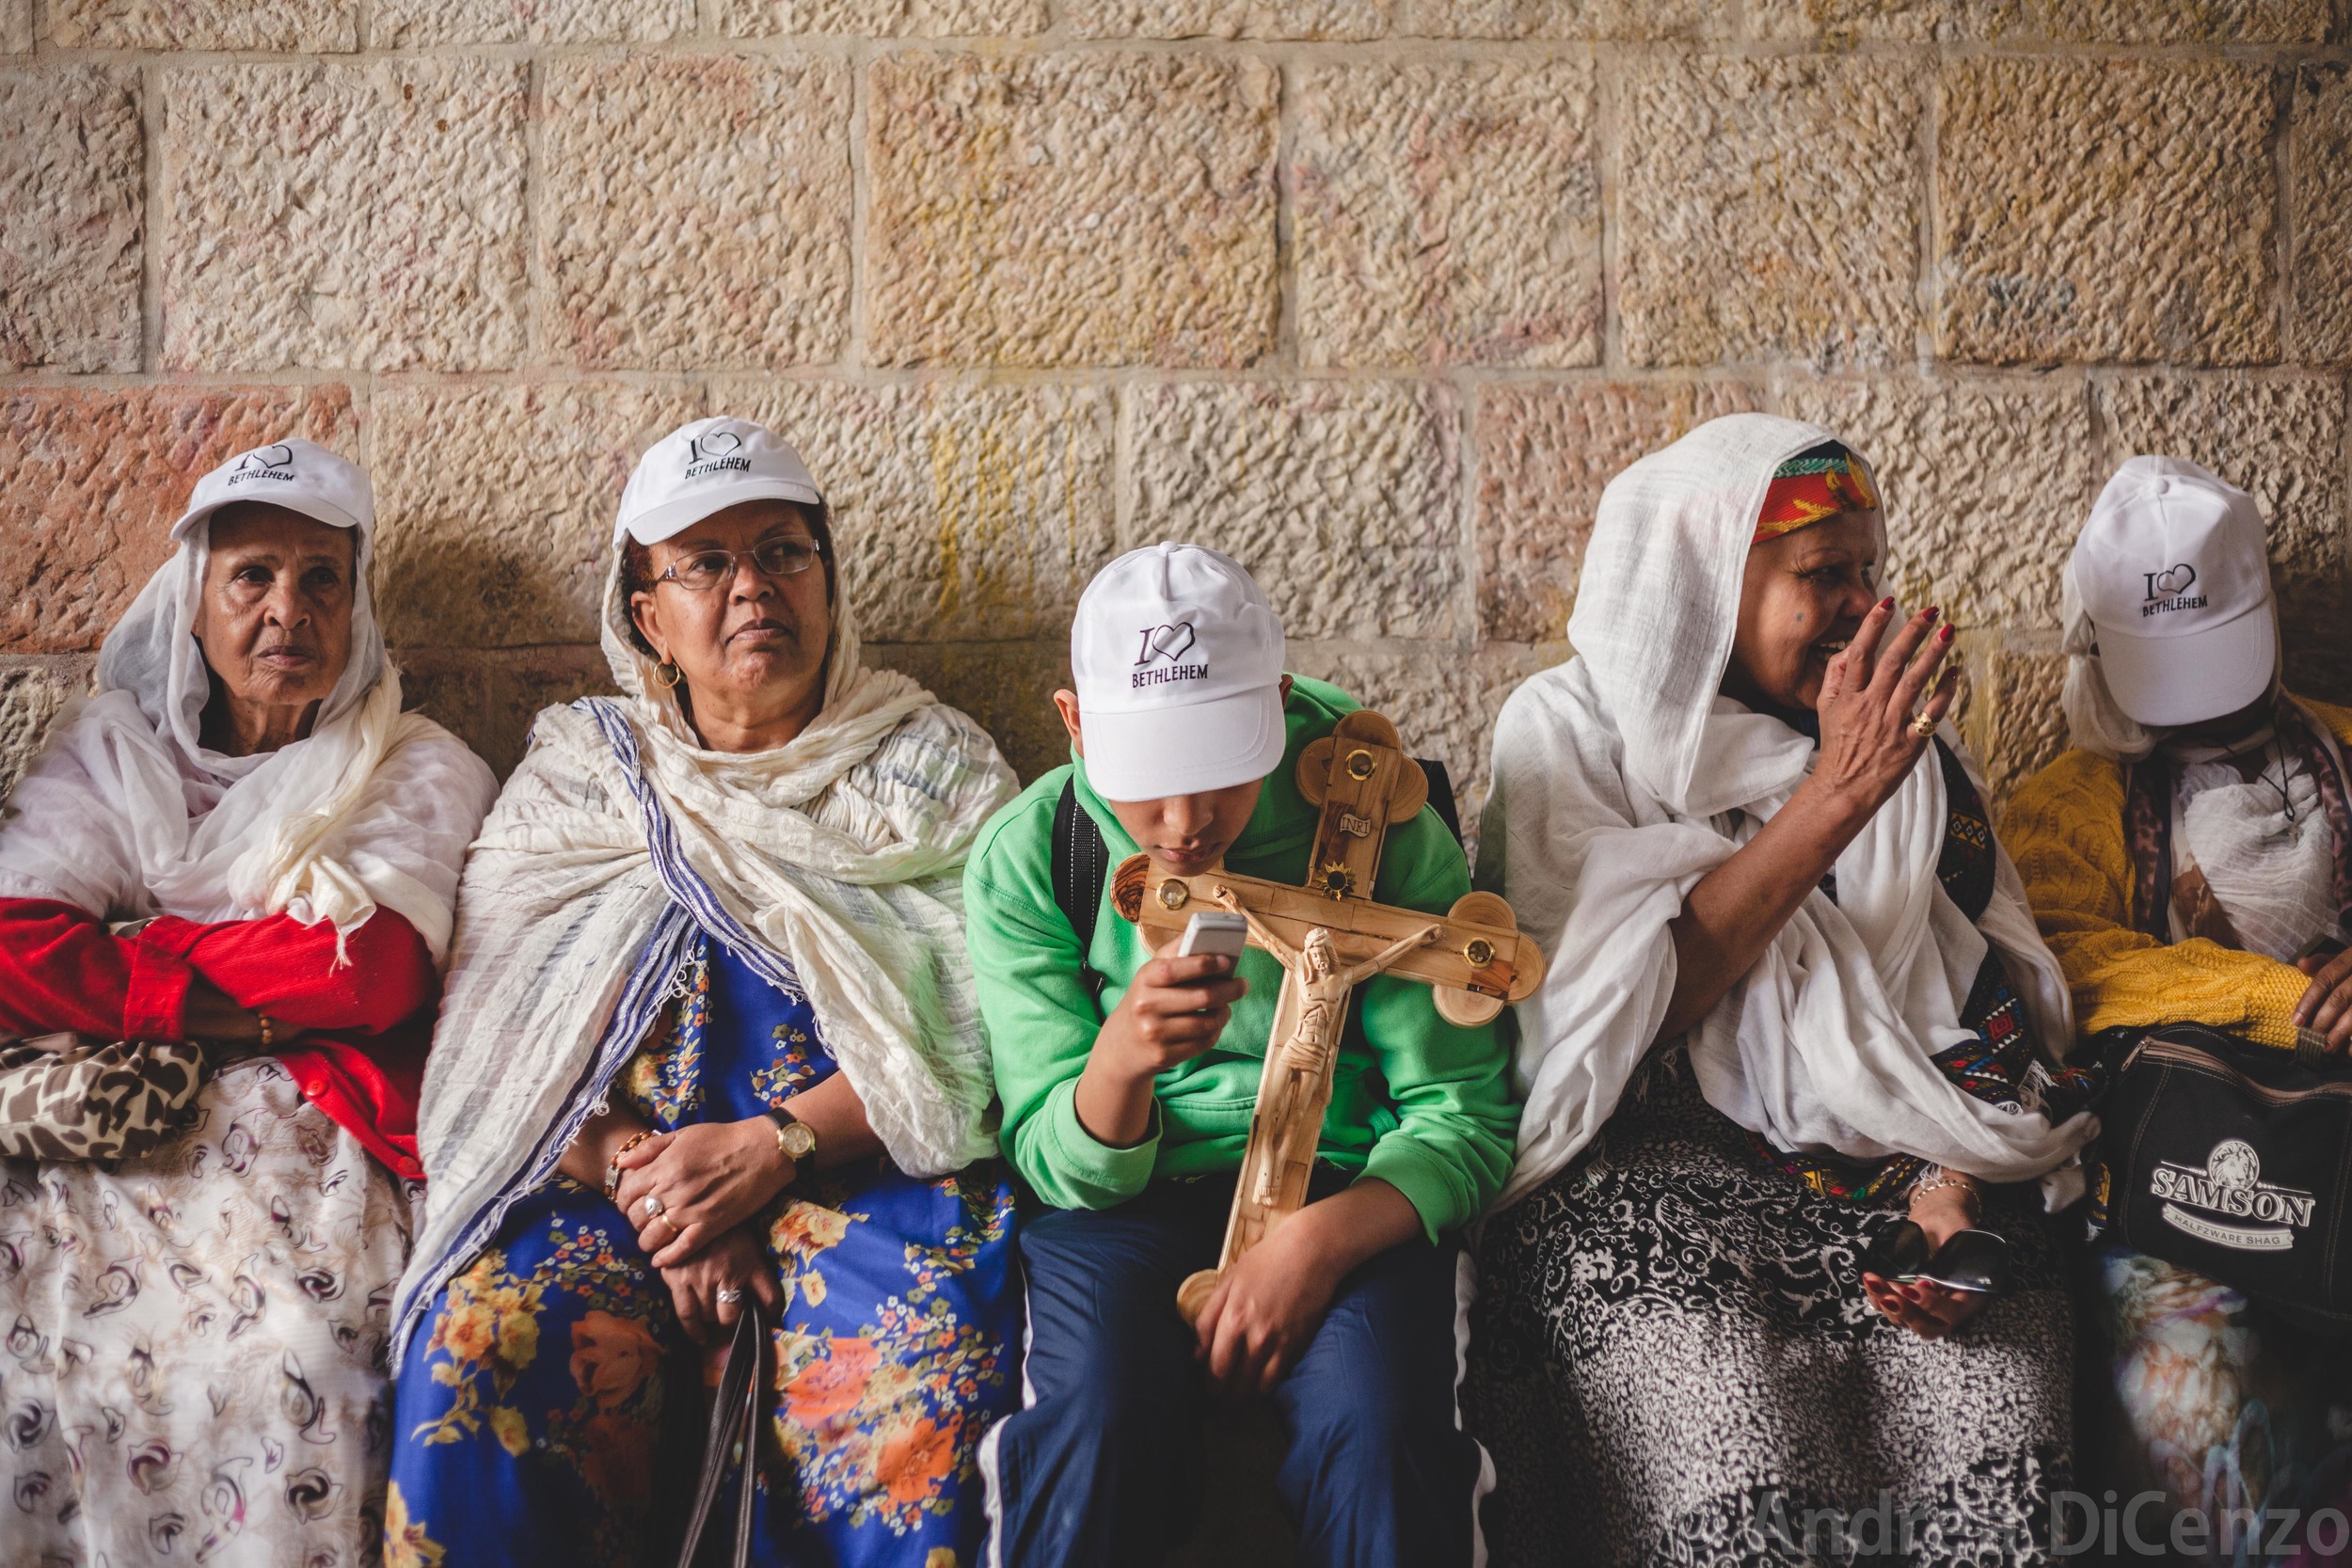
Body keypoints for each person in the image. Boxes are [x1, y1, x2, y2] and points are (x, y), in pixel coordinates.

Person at [1465, 413, 2104, 1565]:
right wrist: (1832, 799)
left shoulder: (1896, 750)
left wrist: (1945, 1189)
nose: (1864, 604)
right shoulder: (1568, 731)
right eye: (1823, 575)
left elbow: (1981, 1005)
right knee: (1727, 1436)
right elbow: (1598, 1026)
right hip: (1642, 1164)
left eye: (1869, 571)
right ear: (1706, 583)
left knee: (1990, 1415)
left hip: (1888, 1169)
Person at [386, 417, 1023, 1568]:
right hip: (609, 1186)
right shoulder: (583, 778)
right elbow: (493, 1047)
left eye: (783, 550)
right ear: (647, 617)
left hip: (862, 1174)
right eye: (706, 563)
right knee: (481, 1347)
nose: (752, 589)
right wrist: (661, 1190)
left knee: (922, 1368)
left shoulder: (932, 767)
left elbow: (990, 1027)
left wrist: (769, 1150)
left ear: (828, 578)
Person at [964, 542, 1519, 1568]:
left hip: (1350, 1194)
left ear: (1271, 697)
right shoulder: (1040, 852)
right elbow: (1044, 1150)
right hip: (1124, 1205)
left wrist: (1313, 1245)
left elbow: (1460, 1113)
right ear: (1075, 722)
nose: (1183, 825)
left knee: (1384, 1439)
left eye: (1219, 770)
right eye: (1145, 784)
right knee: (1090, 1427)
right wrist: (1119, 1065)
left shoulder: (1373, 816)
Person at [0, 437, 498, 1563]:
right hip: (99, 1128)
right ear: (195, 600)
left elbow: (369, 971)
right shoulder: (111, 753)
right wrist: (242, 989)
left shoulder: (411, 764)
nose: (288, 609)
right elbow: (8, 947)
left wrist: (125, 950)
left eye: (322, 578)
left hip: (302, 1129)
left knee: (292, 1354)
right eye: (252, 576)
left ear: (358, 606)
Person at [2003, 456, 2352, 1560]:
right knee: (2200, 1406)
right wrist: (2276, 995)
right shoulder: (2073, 799)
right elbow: (2063, 962)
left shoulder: (2343, 746)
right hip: (2187, 1198)